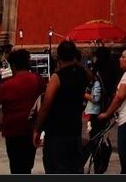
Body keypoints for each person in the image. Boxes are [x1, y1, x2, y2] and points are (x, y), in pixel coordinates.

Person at [33, 38, 90, 174]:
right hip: (74, 129)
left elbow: (46, 105)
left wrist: (37, 128)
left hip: (56, 132)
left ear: (58, 57)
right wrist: (78, 63)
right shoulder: (82, 74)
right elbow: (90, 76)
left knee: (56, 168)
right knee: (73, 167)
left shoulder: (57, 77)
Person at [0, 47, 45, 174]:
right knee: (27, 166)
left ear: (14, 66)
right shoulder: (36, 79)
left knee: (16, 167)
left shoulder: (7, 85)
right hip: (30, 130)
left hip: (13, 131)